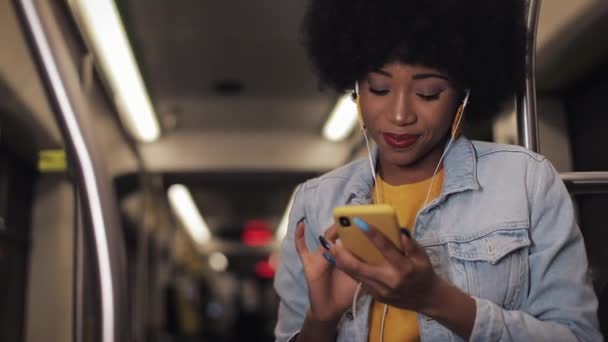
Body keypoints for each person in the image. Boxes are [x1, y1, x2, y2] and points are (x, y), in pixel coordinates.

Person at [274, 1, 602, 341]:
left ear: (463, 93)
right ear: (355, 89)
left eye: (427, 93)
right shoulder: (315, 202)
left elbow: (579, 336)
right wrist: (322, 319)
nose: (400, 115)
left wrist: (436, 299)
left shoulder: (525, 182)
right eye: (379, 88)